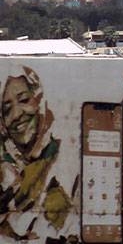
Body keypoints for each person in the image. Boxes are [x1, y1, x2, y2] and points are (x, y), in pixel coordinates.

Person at [0, 67, 79, 241]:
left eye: (24, 100)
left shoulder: (68, 162)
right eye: (6, 110)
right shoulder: (6, 173)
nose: (16, 114)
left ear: (39, 100)